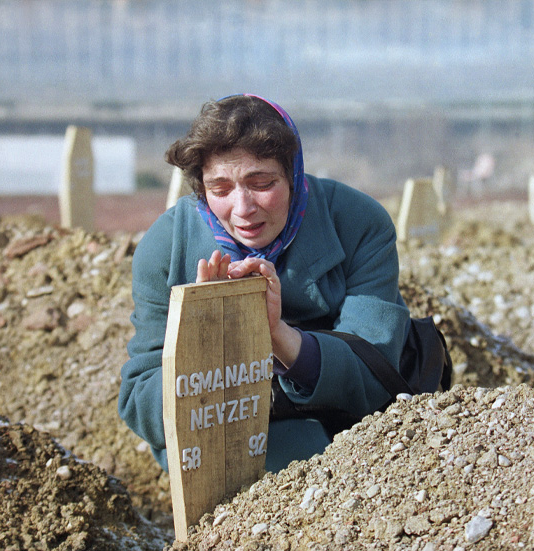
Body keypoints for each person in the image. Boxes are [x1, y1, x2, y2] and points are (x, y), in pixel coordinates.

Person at [118, 94, 411, 472]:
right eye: (220, 189)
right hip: (214, 449)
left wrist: (277, 335)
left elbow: (378, 378)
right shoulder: (165, 248)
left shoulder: (357, 223)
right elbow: (139, 402)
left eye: (261, 183)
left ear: (292, 173)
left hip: (346, 440)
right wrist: (209, 340)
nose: (242, 208)